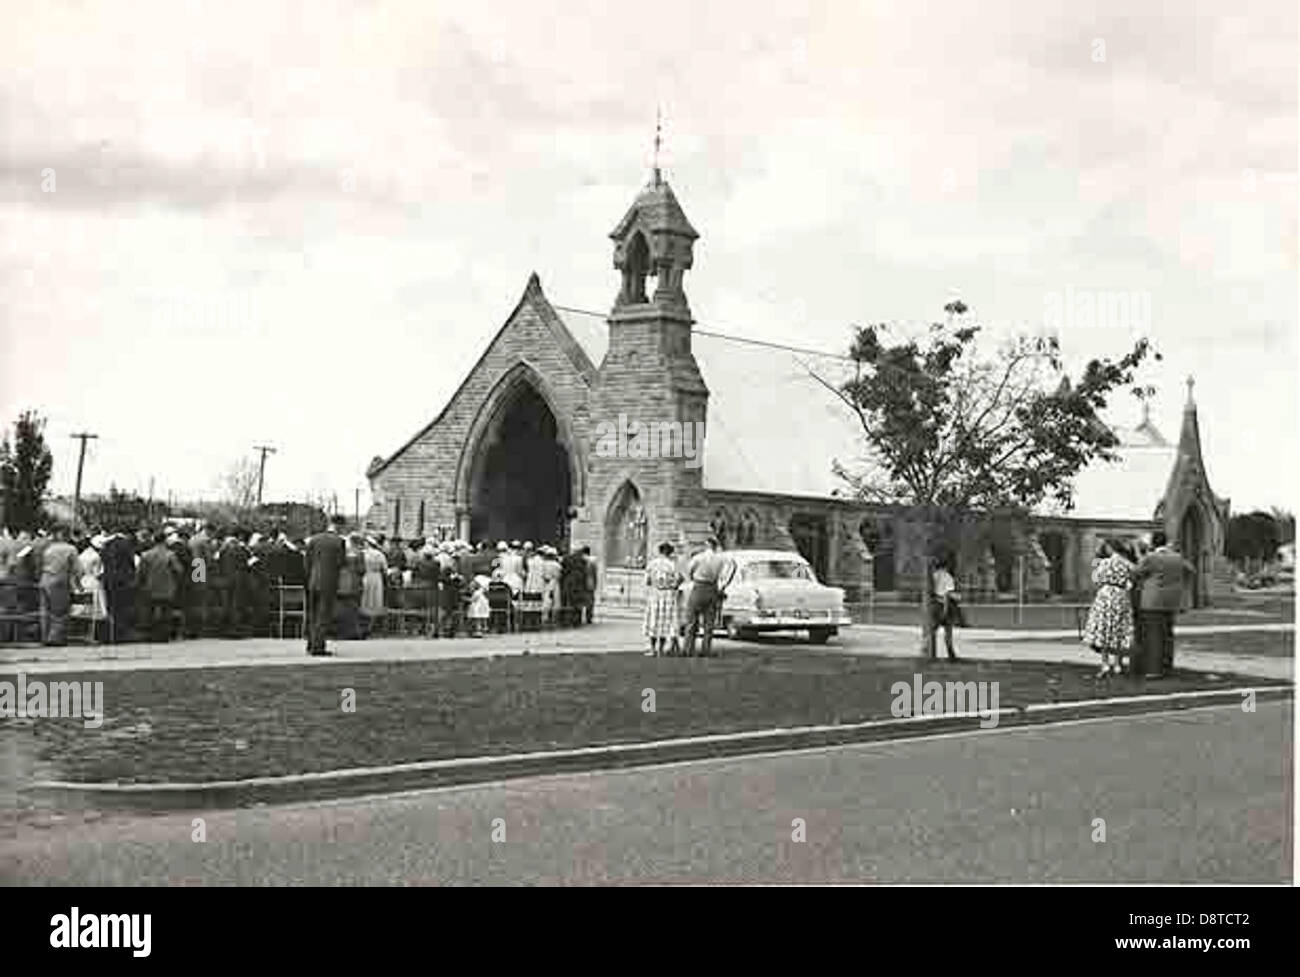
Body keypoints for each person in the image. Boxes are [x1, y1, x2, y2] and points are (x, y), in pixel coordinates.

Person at [1134, 530, 1195, 677]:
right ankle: (1167, 667)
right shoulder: (1177, 557)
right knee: (1167, 634)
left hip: (1152, 601)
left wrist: (1140, 555)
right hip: (1171, 601)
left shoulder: (1151, 558)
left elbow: (1136, 573)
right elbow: (1191, 570)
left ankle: (1154, 670)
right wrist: (1177, 583)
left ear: (1153, 543)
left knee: (1153, 636)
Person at [1082, 539, 1136, 677]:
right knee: (1119, 629)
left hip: (1105, 595)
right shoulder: (1127, 563)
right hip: (1121, 595)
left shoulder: (1104, 562)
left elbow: (1096, 579)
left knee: (1104, 628)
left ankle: (1105, 663)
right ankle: (1118, 663)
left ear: (1111, 548)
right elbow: (1134, 577)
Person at [681, 536, 732, 658]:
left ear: (707, 545)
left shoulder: (699, 557)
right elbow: (727, 572)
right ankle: (706, 649)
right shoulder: (721, 559)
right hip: (712, 587)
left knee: (691, 620)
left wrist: (692, 578)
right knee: (709, 622)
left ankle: (688, 648)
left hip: (699, 586)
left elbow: (688, 570)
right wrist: (722, 585)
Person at [304, 521, 346, 655]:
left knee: (313, 613)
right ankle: (318, 646)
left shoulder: (314, 539)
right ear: (339, 526)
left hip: (313, 580)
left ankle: (311, 643)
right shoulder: (339, 541)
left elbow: (307, 562)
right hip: (329, 582)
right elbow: (341, 562)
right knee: (324, 614)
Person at [137, 531, 183, 642]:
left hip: (150, 588)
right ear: (164, 541)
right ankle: (164, 635)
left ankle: (151, 635)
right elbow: (179, 570)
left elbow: (140, 572)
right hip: (167, 588)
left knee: (150, 611)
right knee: (166, 612)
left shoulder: (146, 554)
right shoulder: (170, 555)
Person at [39, 526, 79, 646]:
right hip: (59, 581)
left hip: (44, 580)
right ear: (67, 536)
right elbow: (77, 569)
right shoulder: (71, 549)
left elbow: (41, 564)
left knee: (45, 611)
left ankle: (44, 637)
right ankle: (55, 638)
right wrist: (78, 584)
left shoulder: (48, 548)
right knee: (60, 611)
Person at [643, 541, 683, 656]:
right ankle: (661, 648)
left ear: (659, 551)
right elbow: (679, 579)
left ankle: (652, 648)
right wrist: (673, 586)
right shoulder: (672, 565)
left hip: (656, 593)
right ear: (670, 552)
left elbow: (647, 580)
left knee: (654, 620)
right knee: (665, 621)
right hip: (668, 593)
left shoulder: (652, 564)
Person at [100, 526, 138, 643]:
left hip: (109, 579)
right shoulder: (127, 545)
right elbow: (131, 563)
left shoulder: (106, 545)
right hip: (123, 580)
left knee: (111, 607)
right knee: (123, 608)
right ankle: (121, 634)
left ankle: (111, 634)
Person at [929, 553, 963, 661]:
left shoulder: (934, 575)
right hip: (945, 605)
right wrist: (958, 597)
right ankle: (951, 654)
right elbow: (948, 594)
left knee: (933, 630)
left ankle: (930, 651)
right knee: (948, 631)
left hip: (935, 604)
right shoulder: (948, 577)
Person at [361, 537, 388, 628]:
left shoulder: (363, 553)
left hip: (366, 575)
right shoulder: (380, 554)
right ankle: (371, 623)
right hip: (376, 577)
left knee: (365, 598)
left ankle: (363, 621)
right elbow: (385, 568)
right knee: (375, 599)